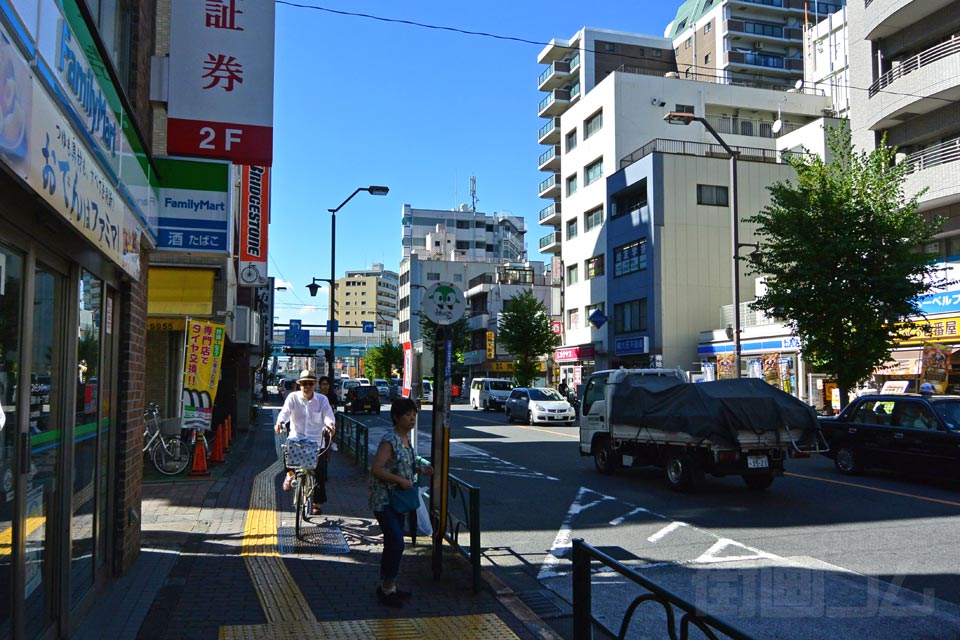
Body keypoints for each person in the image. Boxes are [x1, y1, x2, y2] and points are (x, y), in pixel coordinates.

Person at [369, 397, 433, 607]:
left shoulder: (406, 440)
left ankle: (389, 587)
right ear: (397, 417)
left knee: (393, 543)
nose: (412, 417)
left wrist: (420, 469)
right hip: (384, 499)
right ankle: (387, 588)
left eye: (414, 413)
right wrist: (401, 481)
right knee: (396, 542)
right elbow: (376, 469)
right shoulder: (390, 440)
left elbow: (404, 466)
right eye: (407, 414)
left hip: (398, 500)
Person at [275, 370, 336, 515]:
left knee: (320, 473)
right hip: (297, 439)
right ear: (299, 384)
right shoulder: (292, 397)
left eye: (309, 383)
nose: (306, 386)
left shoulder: (322, 400)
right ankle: (290, 475)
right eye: (303, 383)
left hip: (316, 442)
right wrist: (279, 423)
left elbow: (328, 415)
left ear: (315, 384)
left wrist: (330, 425)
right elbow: (285, 412)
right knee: (286, 454)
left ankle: (316, 504)